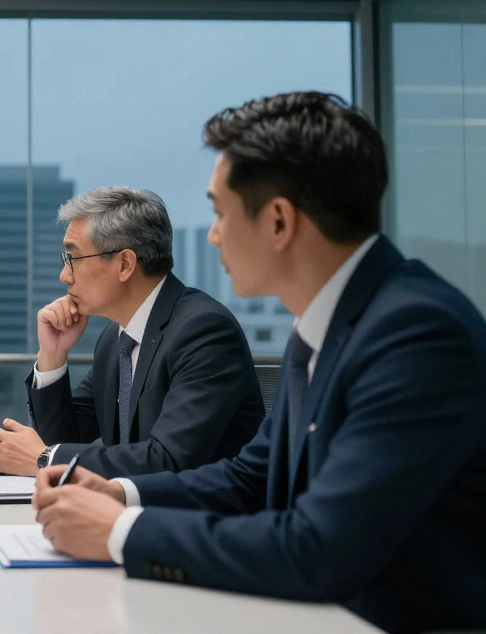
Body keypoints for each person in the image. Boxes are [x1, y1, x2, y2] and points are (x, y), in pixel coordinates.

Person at [33, 92, 486, 634]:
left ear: (277, 222)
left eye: (220, 213)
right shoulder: (325, 325)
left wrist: (121, 532)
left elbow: (320, 548)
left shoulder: (415, 334)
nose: (214, 234)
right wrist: (120, 493)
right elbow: (251, 476)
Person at [0, 186, 264, 478]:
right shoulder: (115, 339)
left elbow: (167, 460)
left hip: (200, 517)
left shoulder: (203, 331)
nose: (64, 276)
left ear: (124, 264)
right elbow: (65, 438)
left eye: (74, 259)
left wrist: (47, 458)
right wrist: (53, 355)